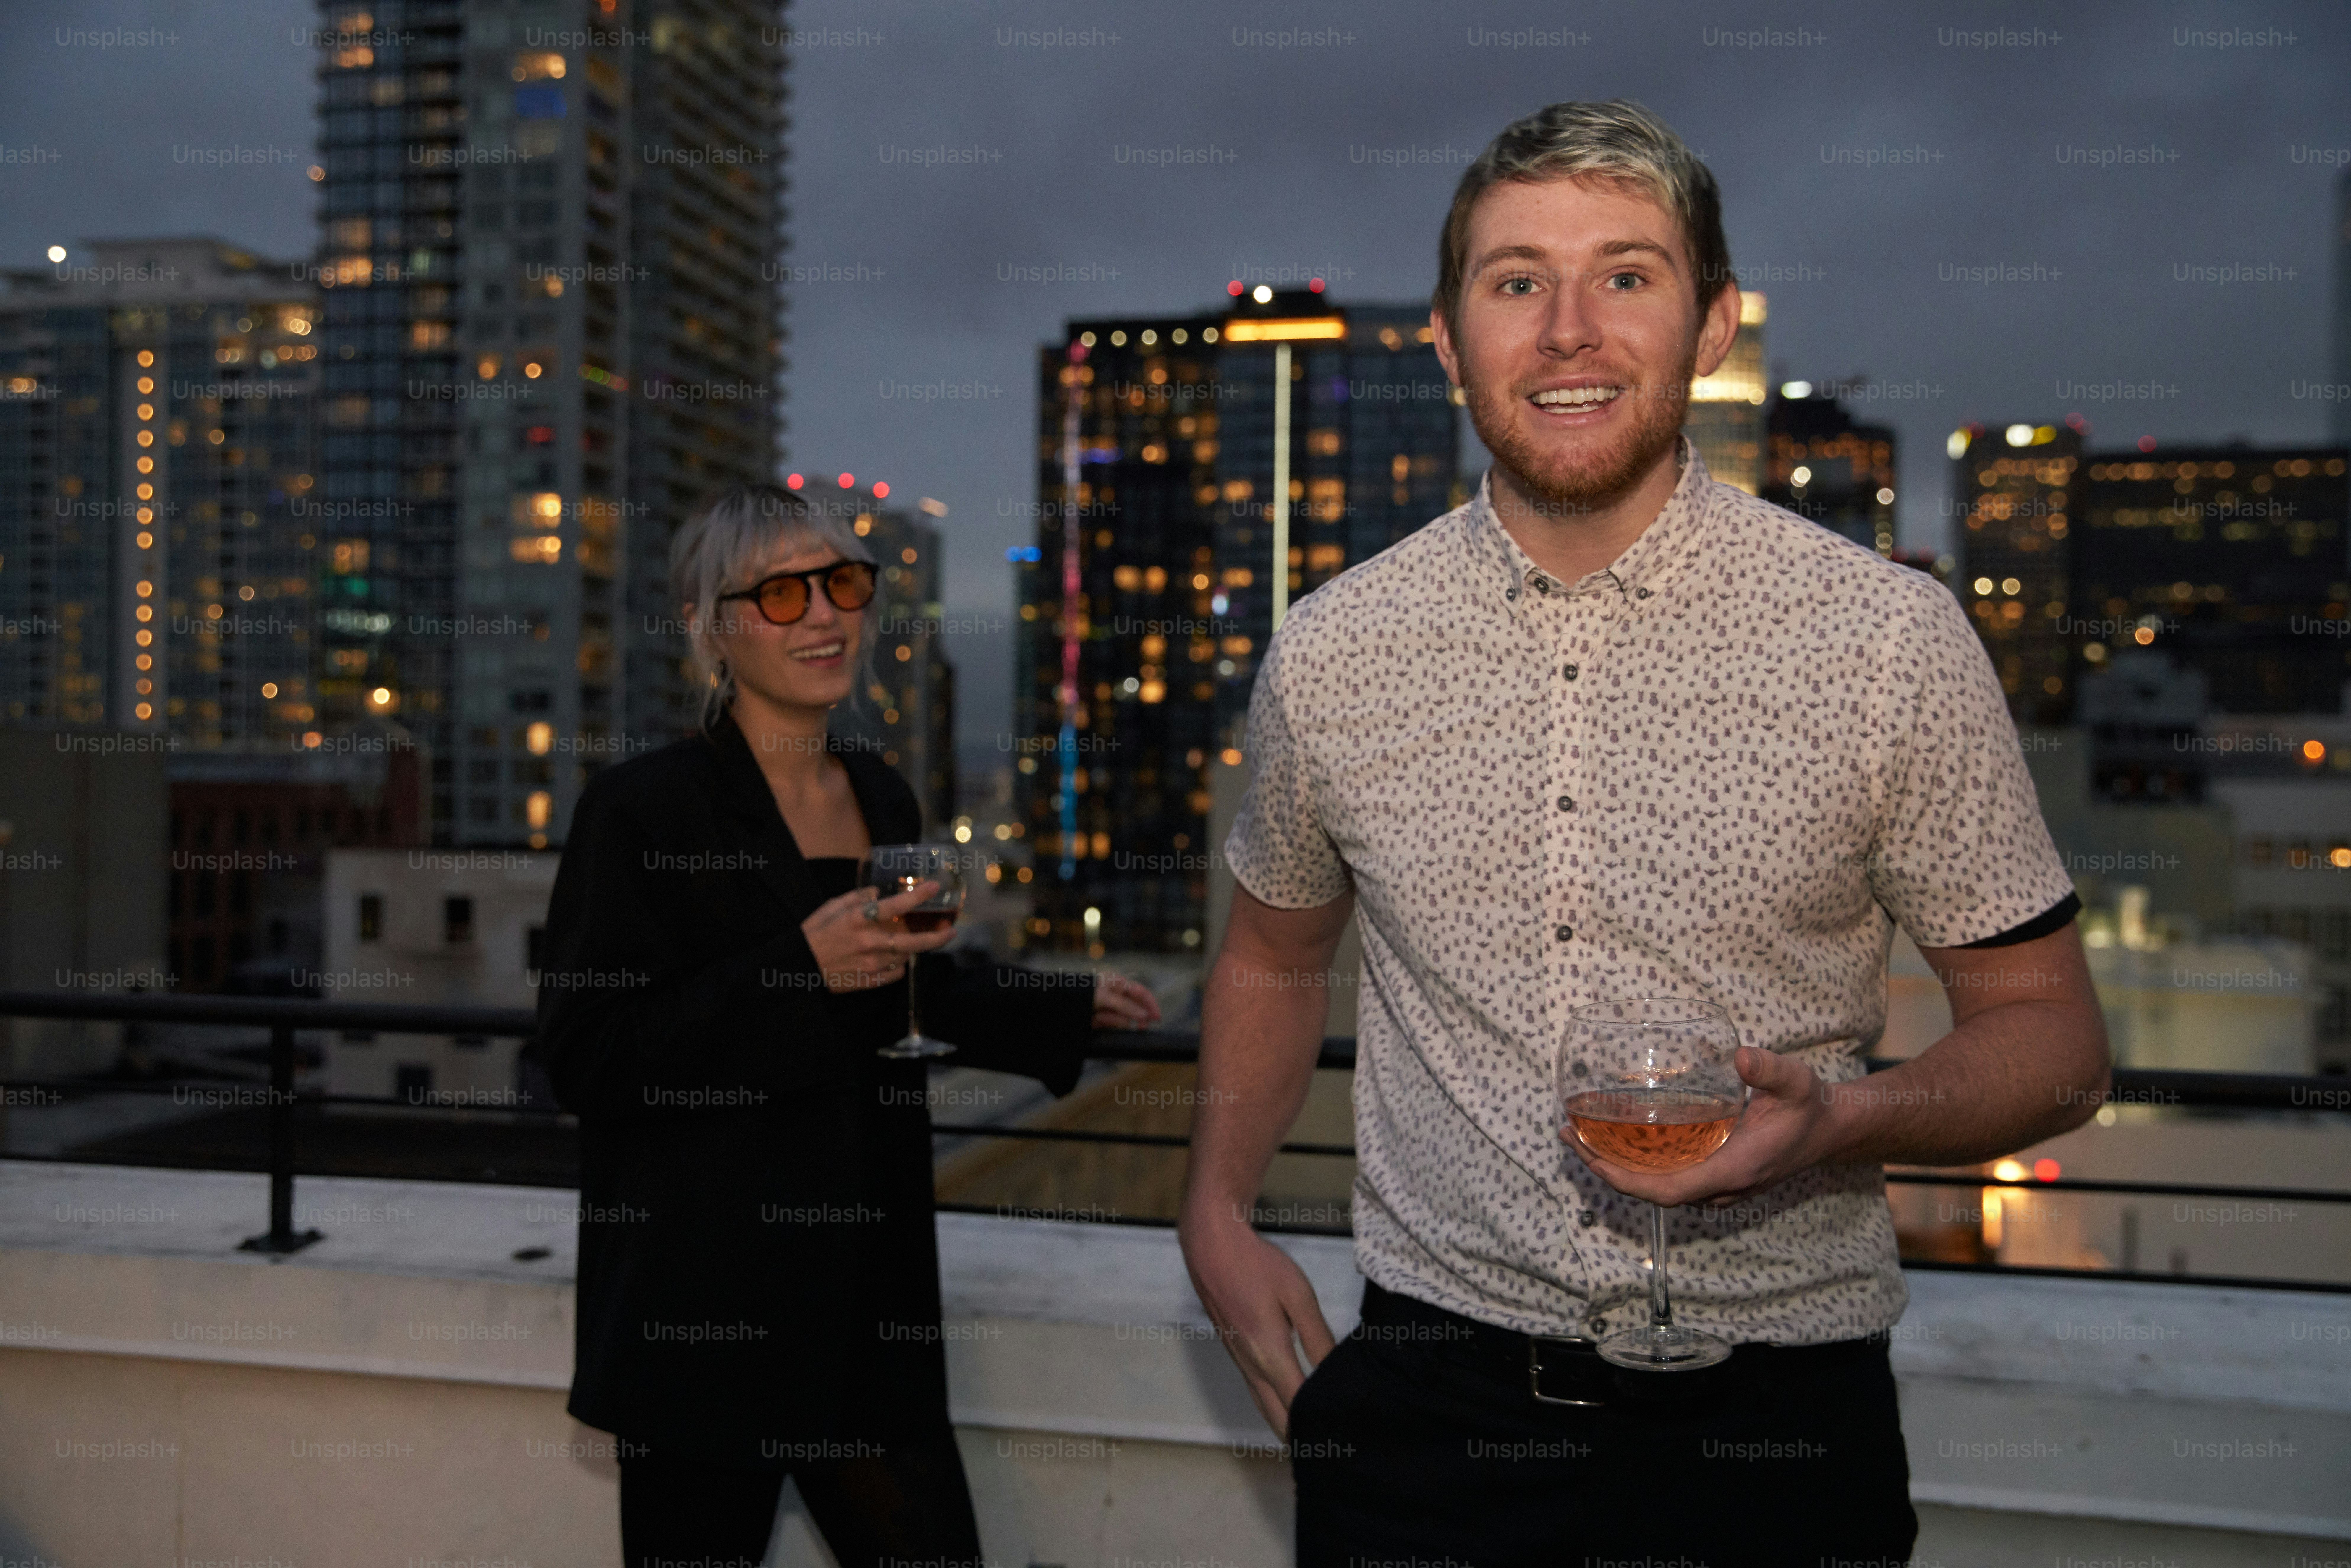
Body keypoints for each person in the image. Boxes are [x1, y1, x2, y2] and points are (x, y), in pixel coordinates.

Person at [1177, 101, 2109, 1567]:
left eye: (1624, 275)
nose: (1564, 330)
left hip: (1774, 1440)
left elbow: (2052, 1040)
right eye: (1512, 281)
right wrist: (1214, 1212)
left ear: (1713, 324)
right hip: (1426, 1423)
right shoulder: (1333, 650)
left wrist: (1846, 1117)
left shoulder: (1882, 642)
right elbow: (1273, 958)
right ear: (1442, 336)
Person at [535, 485, 1159, 1568]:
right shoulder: (644, 810)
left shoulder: (881, 796)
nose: (824, 616)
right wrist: (797, 967)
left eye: (844, 584)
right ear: (711, 625)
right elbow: (590, 1056)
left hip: (867, 1298)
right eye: (780, 593)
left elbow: (901, 983)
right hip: (709, 1310)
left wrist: (1058, 1003)